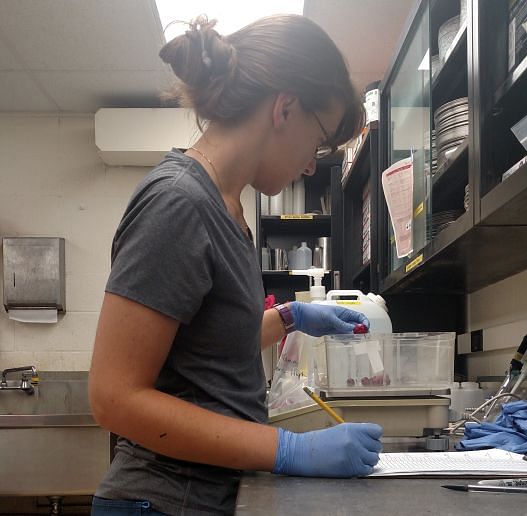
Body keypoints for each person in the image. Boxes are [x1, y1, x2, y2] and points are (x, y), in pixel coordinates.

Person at [89, 13, 383, 516]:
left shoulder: (228, 208)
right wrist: (290, 450)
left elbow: (205, 351)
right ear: (285, 107)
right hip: (159, 502)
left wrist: (289, 318)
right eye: (318, 141)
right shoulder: (180, 203)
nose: (312, 163)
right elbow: (113, 397)